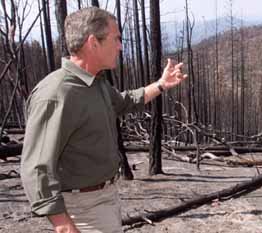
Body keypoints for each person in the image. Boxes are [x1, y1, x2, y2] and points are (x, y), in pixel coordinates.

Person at [20, 7, 187, 233]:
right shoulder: (56, 94)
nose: (120, 46)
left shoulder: (95, 83)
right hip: (81, 211)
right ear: (93, 43)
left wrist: (160, 85)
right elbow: (36, 168)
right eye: (116, 38)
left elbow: (124, 102)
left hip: (105, 198)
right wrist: (65, 227)